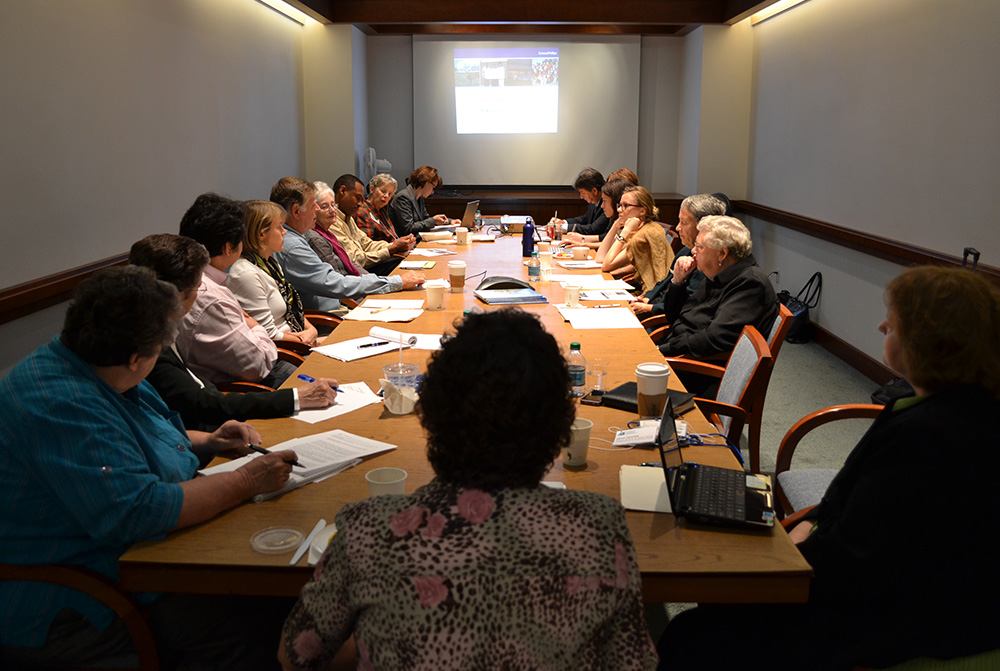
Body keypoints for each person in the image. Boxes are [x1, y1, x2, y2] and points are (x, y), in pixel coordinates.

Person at [658, 266, 1000, 670]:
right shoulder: (936, 405)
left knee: (693, 634)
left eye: (895, 320)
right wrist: (809, 522)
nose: (881, 325)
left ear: (932, 339)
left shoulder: (931, 437)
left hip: (901, 623)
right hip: (883, 586)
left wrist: (780, 563)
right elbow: (862, 505)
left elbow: (859, 564)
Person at [278, 310, 658, 671]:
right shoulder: (598, 525)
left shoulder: (369, 530)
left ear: (432, 414)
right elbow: (632, 661)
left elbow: (295, 657)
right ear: (557, 426)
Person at [0, 265, 298, 670]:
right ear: (137, 357)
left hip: (140, 559)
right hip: (77, 599)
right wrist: (247, 479)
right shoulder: (59, 402)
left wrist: (208, 441)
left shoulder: (96, 360)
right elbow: (138, 510)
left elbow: (148, 435)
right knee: (251, 620)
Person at [132, 234, 338, 431]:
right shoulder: (146, 346)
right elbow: (202, 402)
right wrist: (295, 397)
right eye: (197, 287)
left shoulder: (155, 326)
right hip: (212, 420)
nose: (200, 293)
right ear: (175, 295)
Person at [176, 192, 294, 387]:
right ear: (229, 248)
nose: (284, 232)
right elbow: (258, 365)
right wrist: (255, 326)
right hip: (243, 387)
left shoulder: (201, 279)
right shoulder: (211, 296)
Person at [269, 177, 424, 312]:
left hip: (339, 305)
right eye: (313, 205)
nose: (317, 210)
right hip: (332, 315)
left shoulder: (299, 236)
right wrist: (396, 282)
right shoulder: (294, 245)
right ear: (296, 211)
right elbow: (336, 283)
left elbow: (351, 263)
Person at [656, 215, 777, 360]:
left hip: (695, 365)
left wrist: (661, 350)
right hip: (678, 348)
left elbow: (714, 338)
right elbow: (678, 315)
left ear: (722, 254)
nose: (693, 251)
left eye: (699, 247)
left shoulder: (750, 284)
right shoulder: (718, 273)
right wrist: (678, 282)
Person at [228, 199, 325, 341]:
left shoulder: (270, 264)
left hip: (299, 339)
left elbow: (292, 308)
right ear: (261, 234)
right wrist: (305, 340)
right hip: (285, 352)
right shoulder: (246, 274)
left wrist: (311, 330)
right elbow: (268, 335)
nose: (285, 232)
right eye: (279, 227)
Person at [631, 193, 726, 320]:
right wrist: (648, 298)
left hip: (663, 322)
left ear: (703, 226)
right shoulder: (685, 251)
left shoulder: (707, 263)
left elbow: (687, 306)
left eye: (684, 222)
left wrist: (651, 308)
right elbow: (665, 282)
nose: (678, 227)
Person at [322, 175, 416, 275]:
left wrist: (396, 245)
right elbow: (354, 260)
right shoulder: (332, 222)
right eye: (325, 206)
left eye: (390, 194)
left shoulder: (349, 217)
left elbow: (367, 244)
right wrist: (391, 249)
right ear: (342, 191)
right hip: (357, 272)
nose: (359, 204)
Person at [596, 185, 673, 293]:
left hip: (649, 295)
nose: (618, 209)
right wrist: (616, 225)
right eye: (620, 205)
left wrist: (625, 232)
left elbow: (607, 265)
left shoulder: (645, 235)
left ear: (642, 211)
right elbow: (600, 258)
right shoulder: (639, 228)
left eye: (625, 205)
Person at [563, 176, 635, 250]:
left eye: (605, 201)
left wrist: (583, 243)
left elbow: (606, 259)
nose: (602, 206)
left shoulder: (633, 229)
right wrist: (582, 244)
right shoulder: (615, 220)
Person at [388, 165, 460, 237]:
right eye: (433, 187)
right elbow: (408, 228)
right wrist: (433, 220)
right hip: (407, 243)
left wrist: (450, 222)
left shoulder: (419, 198)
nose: (432, 192)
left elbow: (425, 220)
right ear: (426, 181)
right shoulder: (403, 197)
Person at [549, 167, 610, 238]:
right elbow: (585, 219)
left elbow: (594, 228)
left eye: (582, 192)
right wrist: (563, 222)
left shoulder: (607, 204)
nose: (581, 196)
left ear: (594, 191)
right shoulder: (593, 200)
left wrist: (563, 227)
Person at [356, 173, 401, 244]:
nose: (386, 196)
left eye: (390, 194)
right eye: (383, 191)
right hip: (383, 253)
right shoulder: (363, 212)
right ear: (372, 189)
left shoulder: (383, 210)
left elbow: (392, 235)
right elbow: (367, 245)